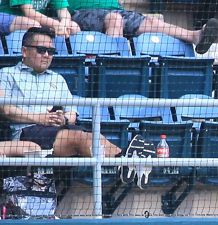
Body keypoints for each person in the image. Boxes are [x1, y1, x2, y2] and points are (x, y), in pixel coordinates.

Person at [0, 28, 133, 163]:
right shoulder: (7, 74)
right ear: (24, 51)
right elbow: (6, 110)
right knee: (79, 138)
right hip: (26, 133)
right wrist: (40, 118)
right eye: (41, 50)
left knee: (94, 136)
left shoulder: (57, 79)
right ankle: (125, 162)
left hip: (58, 130)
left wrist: (63, 119)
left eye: (51, 51)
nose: (46, 55)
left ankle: (125, 161)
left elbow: (72, 113)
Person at [68, 0, 218, 53]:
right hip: (82, 12)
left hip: (116, 11)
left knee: (151, 22)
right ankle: (110, 67)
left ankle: (195, 36)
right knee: (115, 20)